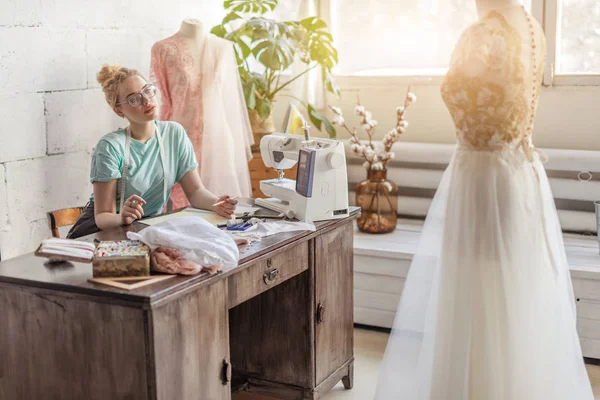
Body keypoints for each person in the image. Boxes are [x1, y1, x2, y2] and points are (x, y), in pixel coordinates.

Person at [375, 1, 595, 399]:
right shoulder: (531, 27)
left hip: (481, 173)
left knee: (475, 279)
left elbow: (454, 93)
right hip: (519, 171)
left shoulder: (483, 33)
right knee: (509, 279)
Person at [67, 64, 237, 239]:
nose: (146, 101)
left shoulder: (174, 134)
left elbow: (195, 192)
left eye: (147, 91)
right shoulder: (110, 147)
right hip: (100, 233)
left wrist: (216, 204)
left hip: (143, 228)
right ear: (118, 110)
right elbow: (102, 217)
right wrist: (122, 217)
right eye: (134, 99)